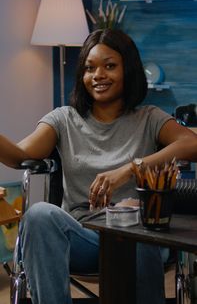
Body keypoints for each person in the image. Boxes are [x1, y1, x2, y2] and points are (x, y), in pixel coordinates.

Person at [0, 28, 197, 304]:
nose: (98, 76)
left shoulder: (149, 118)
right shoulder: (64, 119)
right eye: (90, 68)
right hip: (85, 238)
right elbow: (19, 155)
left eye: (110, 66)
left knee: (139, 233)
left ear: (128, 69)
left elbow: (192, 144)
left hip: (140, 235)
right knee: (39, 215)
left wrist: (130, 169)